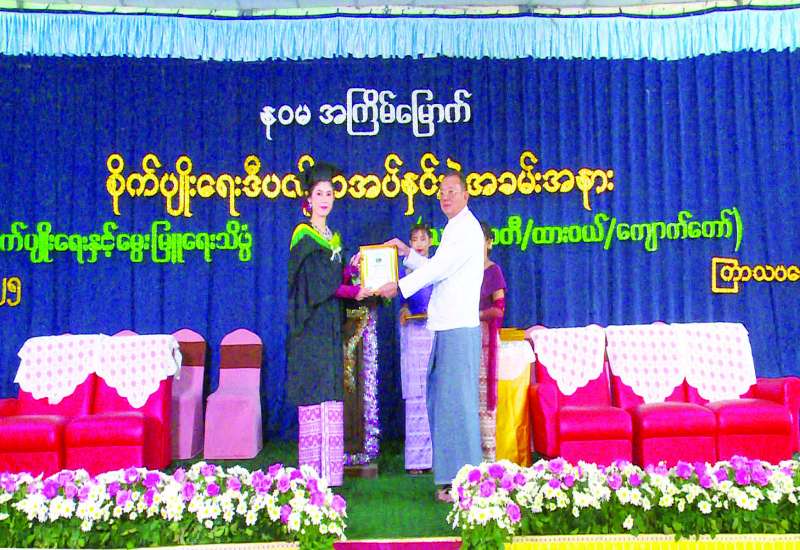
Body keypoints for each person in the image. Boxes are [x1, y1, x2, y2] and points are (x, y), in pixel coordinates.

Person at [376, 170, 484, 502]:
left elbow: (439, 268)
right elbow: (438, 266)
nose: (445, 196)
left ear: (465, 195)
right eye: (441, 192)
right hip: (447, 327)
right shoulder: (455, 228)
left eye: (452, 191)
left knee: (456, 406)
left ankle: (464, 481)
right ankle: (454, 477)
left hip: (457, 329)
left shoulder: (466, 228)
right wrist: (406, 253)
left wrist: (399, 285)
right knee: (444, 403)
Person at [286, 162, 371, 487]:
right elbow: (319, 283)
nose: (325, 199)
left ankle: (331, 475)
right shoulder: (304, 236)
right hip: (310, 326)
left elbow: (333, 277)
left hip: (329, 324)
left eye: (329, 193)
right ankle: (312, 477)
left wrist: (352, 269)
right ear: (308, 199)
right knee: (315, 388)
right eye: (319, 193)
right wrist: (354, 290)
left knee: (331, 388)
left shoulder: (331, 238)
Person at [398, 223, 434, 475]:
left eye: (423, 238)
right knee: (416, 394)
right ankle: (415, 461)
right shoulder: (405, 271)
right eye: (415, 239)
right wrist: (403, 311)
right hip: (413, 333)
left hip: (433, 332)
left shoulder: (436, 267)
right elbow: (403, 302)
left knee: (434, 393)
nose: (419, 243)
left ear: (430, 241)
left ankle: (435, 459)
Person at [477, 221, 507, 462]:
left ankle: (488, 459)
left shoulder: (493, 271)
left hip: (486, 340)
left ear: (489, 243)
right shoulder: (463, 271)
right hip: (466, 338)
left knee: (484, 398)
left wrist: (475, 315)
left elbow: (499, 309)